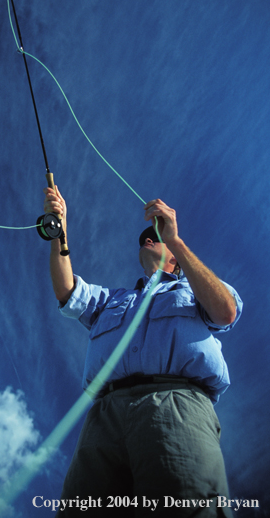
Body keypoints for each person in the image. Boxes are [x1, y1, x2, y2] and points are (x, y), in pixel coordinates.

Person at [43, 187, 243, 517]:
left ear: (176, 258)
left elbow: (225, 312)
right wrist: (58, 228)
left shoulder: (191, 289)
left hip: (178, 405)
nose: (149, 239)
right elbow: (66, 290)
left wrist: (175, 239)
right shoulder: (113, 298)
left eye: (157, 237)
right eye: (148, 237)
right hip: (104, 416)